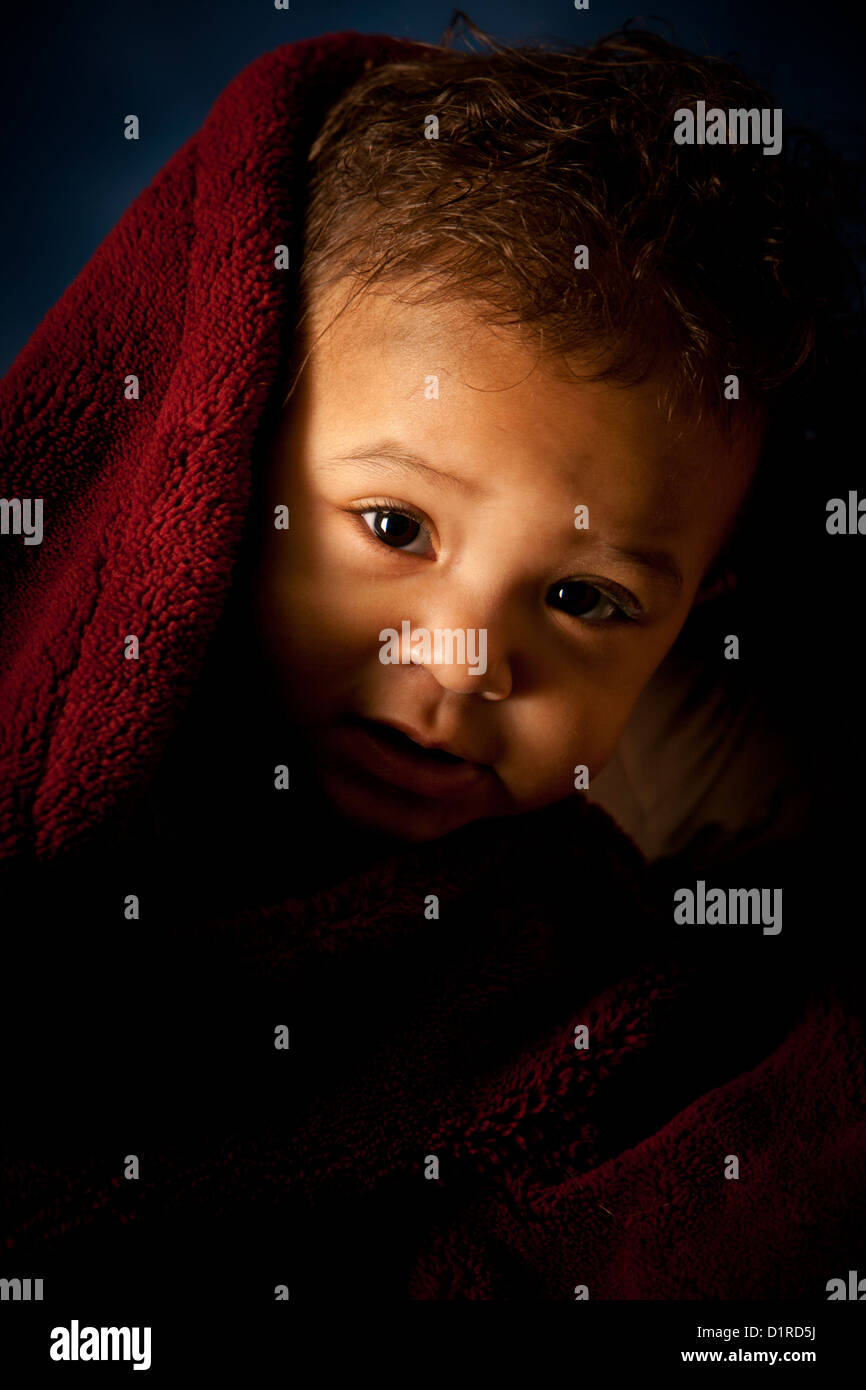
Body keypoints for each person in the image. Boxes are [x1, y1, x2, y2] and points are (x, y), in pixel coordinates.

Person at [0, 21, 862, 1304]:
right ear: (224, 456)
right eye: (395, 529)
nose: (462, 665)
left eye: (583, 597)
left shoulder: (596, 982)